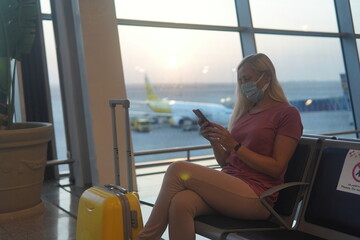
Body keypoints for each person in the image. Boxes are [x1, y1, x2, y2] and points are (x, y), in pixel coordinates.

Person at [136, 53, 303, 240]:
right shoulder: (245, 113)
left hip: (257, 196)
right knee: (180, 202)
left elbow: (276, 168)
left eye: (247, 78)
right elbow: (226, 163)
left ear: (267, 77)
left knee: (178, 169)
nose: (243, 84)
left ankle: (145, 238)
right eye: (240, 80)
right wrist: (215, 142)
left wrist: (235, 145)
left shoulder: (287, 114)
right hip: (232, 186)